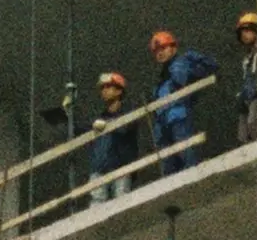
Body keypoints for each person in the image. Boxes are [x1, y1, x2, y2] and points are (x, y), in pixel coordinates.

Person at [148, 29, 215, 178]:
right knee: (168, 162)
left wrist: (192, 59)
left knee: (186, 152)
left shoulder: (181, 64)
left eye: (163, 48)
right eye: (157, 50)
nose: (160, 53)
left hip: (178, 116)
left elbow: (208, 68)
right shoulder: (161, 79)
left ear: (173, 47)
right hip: (163, 123)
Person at [85, 71, 137, 201]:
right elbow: (82, 130)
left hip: (121, 166)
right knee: (96, 207)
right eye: (102, 88)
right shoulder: (100, 117)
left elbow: (125, 128)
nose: (104, 90)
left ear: (119, 91)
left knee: (122, 203)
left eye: (108, 87)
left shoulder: (129, 111)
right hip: (99, 168)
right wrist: (67, 117)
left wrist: (107, 124)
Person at [230, 12, 257, 143]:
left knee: (252, 122)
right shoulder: (247, 59)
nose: (244, 34)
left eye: (248, 30)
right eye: (242, 32)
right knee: (242, 131)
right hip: (248, 96)